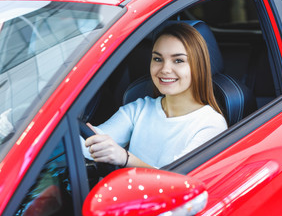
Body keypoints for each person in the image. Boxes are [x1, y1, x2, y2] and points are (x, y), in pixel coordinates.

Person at [84, 23, 227, 169]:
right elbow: (89, 147)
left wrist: (126, 159)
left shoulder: (210, 124)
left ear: (198, 66)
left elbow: (177, 181)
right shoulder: (139, 109)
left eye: (178, 60)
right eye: (158, 59)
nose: (165, 69)